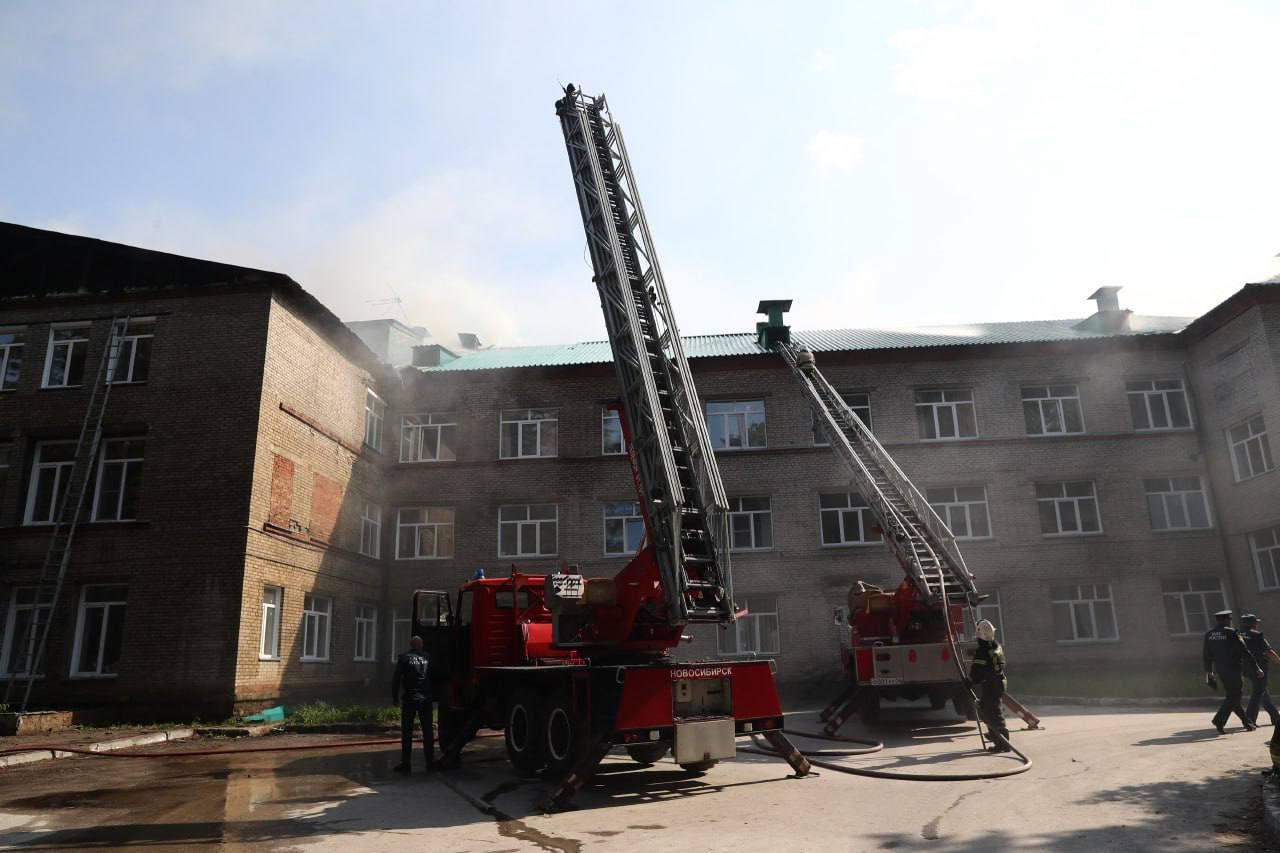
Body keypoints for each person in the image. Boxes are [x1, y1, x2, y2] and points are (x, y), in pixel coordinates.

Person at [1203, 609, 1258, 734]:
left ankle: (1247, 722)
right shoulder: (1231, 632)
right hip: (1234, 669)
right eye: (1230, 619)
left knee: (1232, 697)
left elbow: (1206, 655)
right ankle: (1219, 719)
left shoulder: (1209, 634)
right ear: (1226, 620)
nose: (1231, 621)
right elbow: (1244, 650)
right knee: (1235, 696)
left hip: (1220, 670)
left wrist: (1209, 672)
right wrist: (1256, 666)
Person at [391, 635, 434, 773]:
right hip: (426, 699)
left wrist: (395, 698)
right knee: (428, 731)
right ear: (421, 645)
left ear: (411, 645)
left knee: (407, 732)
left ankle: (406, 763)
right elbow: (433, 677)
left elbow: (396, 679)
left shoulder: (404, 657)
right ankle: (430, 762)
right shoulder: (428, 657)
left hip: (410, 699)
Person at [968, 619, 1011, 753]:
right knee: (985, 708)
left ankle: (1003, 742)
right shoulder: (995, 646)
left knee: (993, 713)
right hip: (998, 682)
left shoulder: (982, 651)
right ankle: (995, 735)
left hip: (991, 685)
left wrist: (970, 681)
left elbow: (978, 671)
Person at [1241, 613, 1280, 727]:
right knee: (1258, 692)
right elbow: (1268, 651)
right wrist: (1278, 661)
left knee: (1261, 690)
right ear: (1253, 623)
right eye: (1256, 622)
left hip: (1245, 667)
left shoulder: (1237, 634)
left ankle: (1275, 717)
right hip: (1259, 667)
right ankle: (1249, 719)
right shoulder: (1256, 635)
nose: (1257, 624)